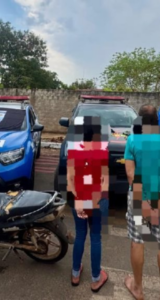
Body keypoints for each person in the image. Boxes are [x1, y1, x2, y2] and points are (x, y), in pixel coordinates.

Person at [123, 104, 160, 300]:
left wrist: (144, 202)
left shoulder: (132, 140)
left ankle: (138, 288)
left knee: (138, 242)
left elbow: (130, 175)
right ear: (157, 121)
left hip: (139, 199)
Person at [66, 116, 110, 293]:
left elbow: (70, 180)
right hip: (98, 200)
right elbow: (104, 180)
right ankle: (95, 278)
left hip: (78, 199)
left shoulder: (74, 150)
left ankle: (75, 273)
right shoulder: (103, 150)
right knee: (96, 237)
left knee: (80, 235)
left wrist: (80, 202)